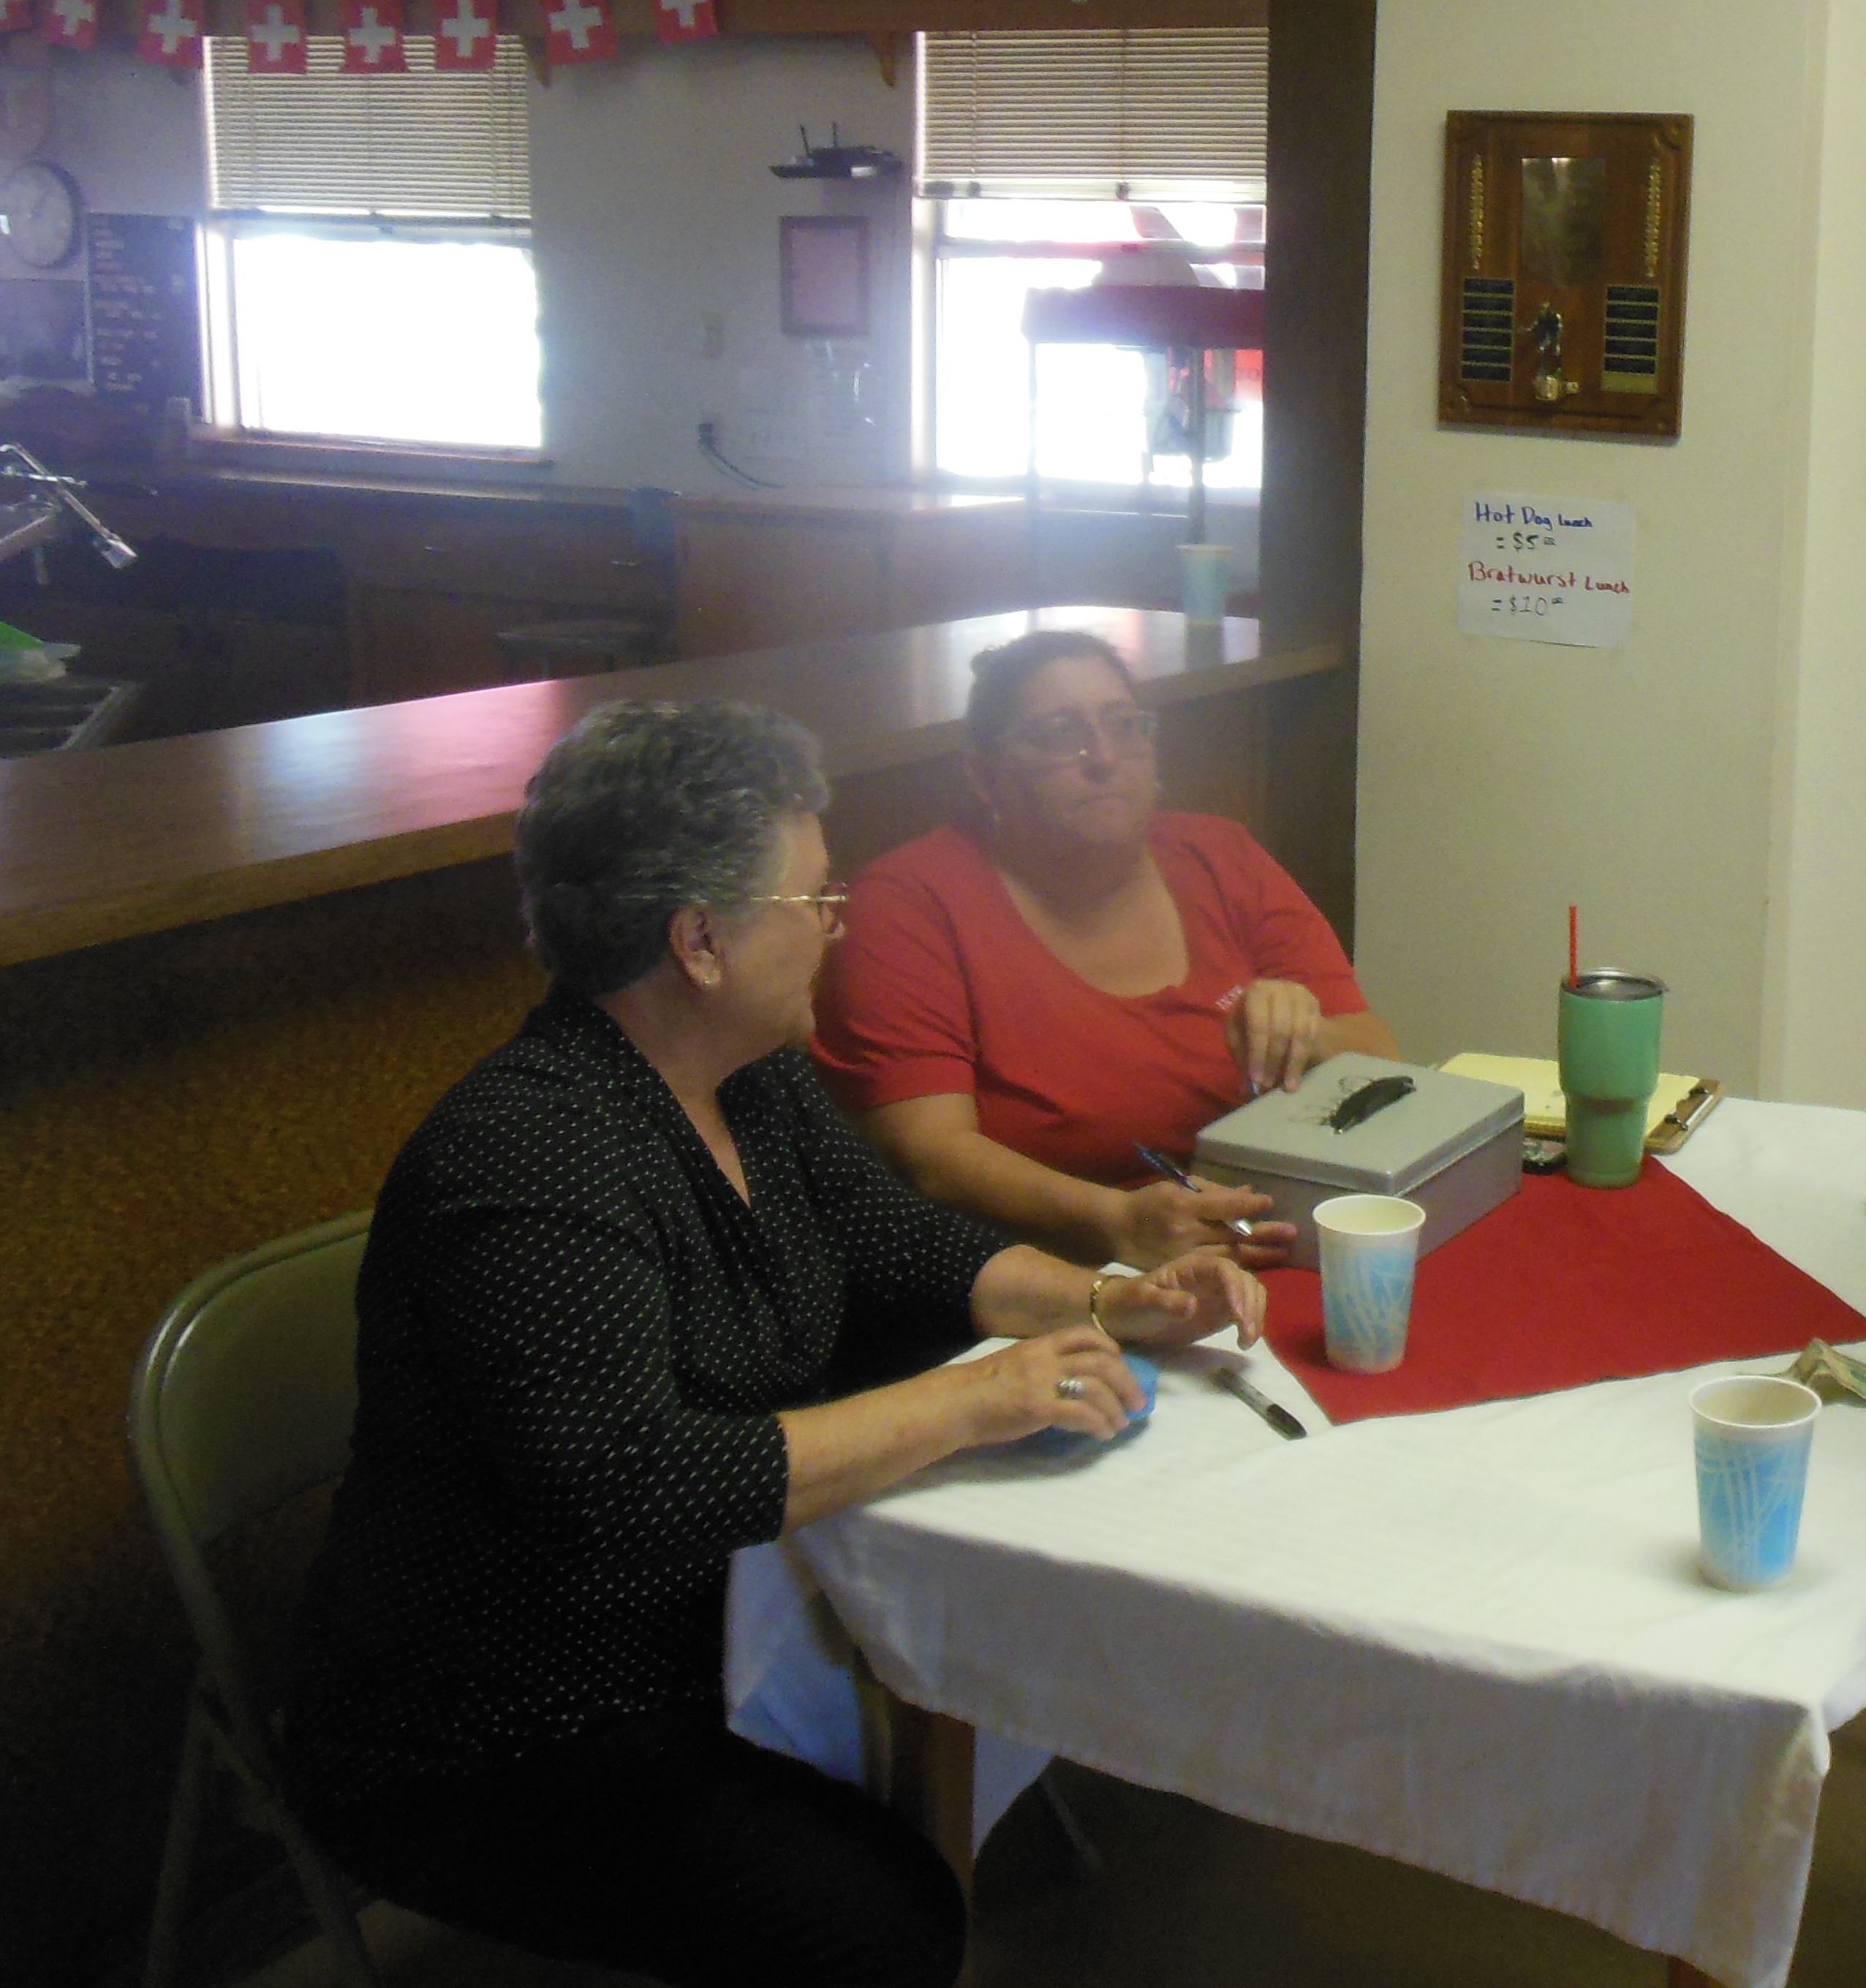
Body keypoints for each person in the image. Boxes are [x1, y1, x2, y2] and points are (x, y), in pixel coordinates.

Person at [283, 699, 1263, 1988]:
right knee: (878, 1922)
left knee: (1015, 1643)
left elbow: (901, 1242)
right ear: (698, 942)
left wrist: (1109, 1301)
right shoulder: (534, 1156)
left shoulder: (748, 1075)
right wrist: (977, 1403)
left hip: (723, 1608)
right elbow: (630, 1487)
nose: (836, 929)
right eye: (815, 902)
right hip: (507, 1713)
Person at [814, 628, 1396, 1268]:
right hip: (1058, 1271)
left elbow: (1382, 1058)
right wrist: (1120, 1222)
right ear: (983, 776)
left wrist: (1307, 1036)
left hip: (1271, 1231)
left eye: (1124, 726)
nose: (1104, 757)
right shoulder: (908, 904)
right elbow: (931, 1156)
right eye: (1059, 735)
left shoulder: (1222, 855)